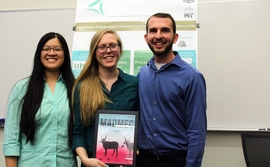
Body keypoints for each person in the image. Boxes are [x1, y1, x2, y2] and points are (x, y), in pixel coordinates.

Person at [136, 12, 207, 167]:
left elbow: (197, 131)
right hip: (143, 161)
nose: (158, 36)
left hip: (176, 162)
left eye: (165, 30)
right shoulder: (142, 74)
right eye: (153, 31)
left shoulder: (192, 77)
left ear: (175, 37)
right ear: (146, 37)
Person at [2, 32, 77, 167]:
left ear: (65, 54)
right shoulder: (22, 88)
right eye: (46, 48)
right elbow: (11, 139)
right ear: (39, 53)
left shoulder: (75, 88)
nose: (52, 53)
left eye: (58, 49)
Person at [72, 29, 138, 167]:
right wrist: (85, 160)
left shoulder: (134, 84)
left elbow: (142, 124)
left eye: (113, 45)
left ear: (119, 49)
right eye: (102, 47)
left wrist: (135, 150)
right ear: (94, 52)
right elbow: (78, 131)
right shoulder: (82, 87)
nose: (108, 50)